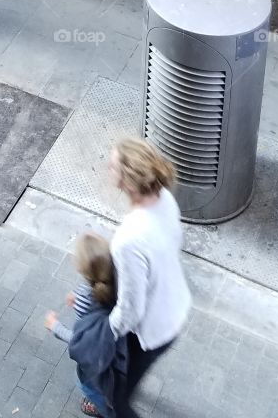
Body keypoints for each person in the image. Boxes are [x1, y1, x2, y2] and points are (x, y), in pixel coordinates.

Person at [106, 138, 190, 418]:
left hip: (152, 330)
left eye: (113, 166)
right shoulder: (165, 199)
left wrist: (104, 333)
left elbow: (131, 311)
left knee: (116, 402)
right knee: (128, 379)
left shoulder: (128, 240)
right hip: (174, 305)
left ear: (128, 183)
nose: (108, 168)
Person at [45, 232, 125, 417]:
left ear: (83, 271)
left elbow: (83, 342)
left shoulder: (86, 297)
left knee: (90, 388)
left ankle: (104, 409)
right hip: (120, 352)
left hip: (99, 367)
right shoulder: (121, 281)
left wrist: (55, 326)